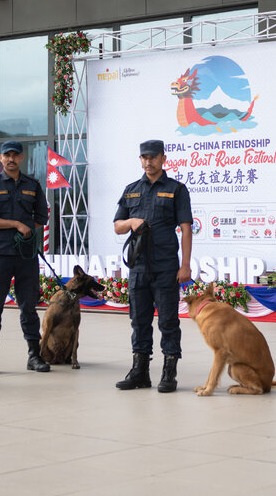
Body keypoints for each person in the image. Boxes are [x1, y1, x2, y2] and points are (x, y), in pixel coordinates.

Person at [113, 139, 193, 393]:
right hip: (139, 267)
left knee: (168, 320)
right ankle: (140, 372)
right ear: (141, 160)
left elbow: (186, 229)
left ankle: (169, 373)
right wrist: (133, 221)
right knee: (139, 320)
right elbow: (117, 225)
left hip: (166, 266)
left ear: (163, 159)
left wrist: (185, 266)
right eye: (144, 157)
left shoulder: (176, 189)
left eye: (153, 157)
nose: (149, 161)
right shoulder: (131, 190)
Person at [0, 140, 51, 374]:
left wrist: (27, 230)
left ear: (22, 158)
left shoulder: (33, 185)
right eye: (6, 155)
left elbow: (42, 217)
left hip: (25, 255)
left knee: (28, 306)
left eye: (15, 155)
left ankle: (33, 356)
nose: (11, 159)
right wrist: (17, 224)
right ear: (0, 158)